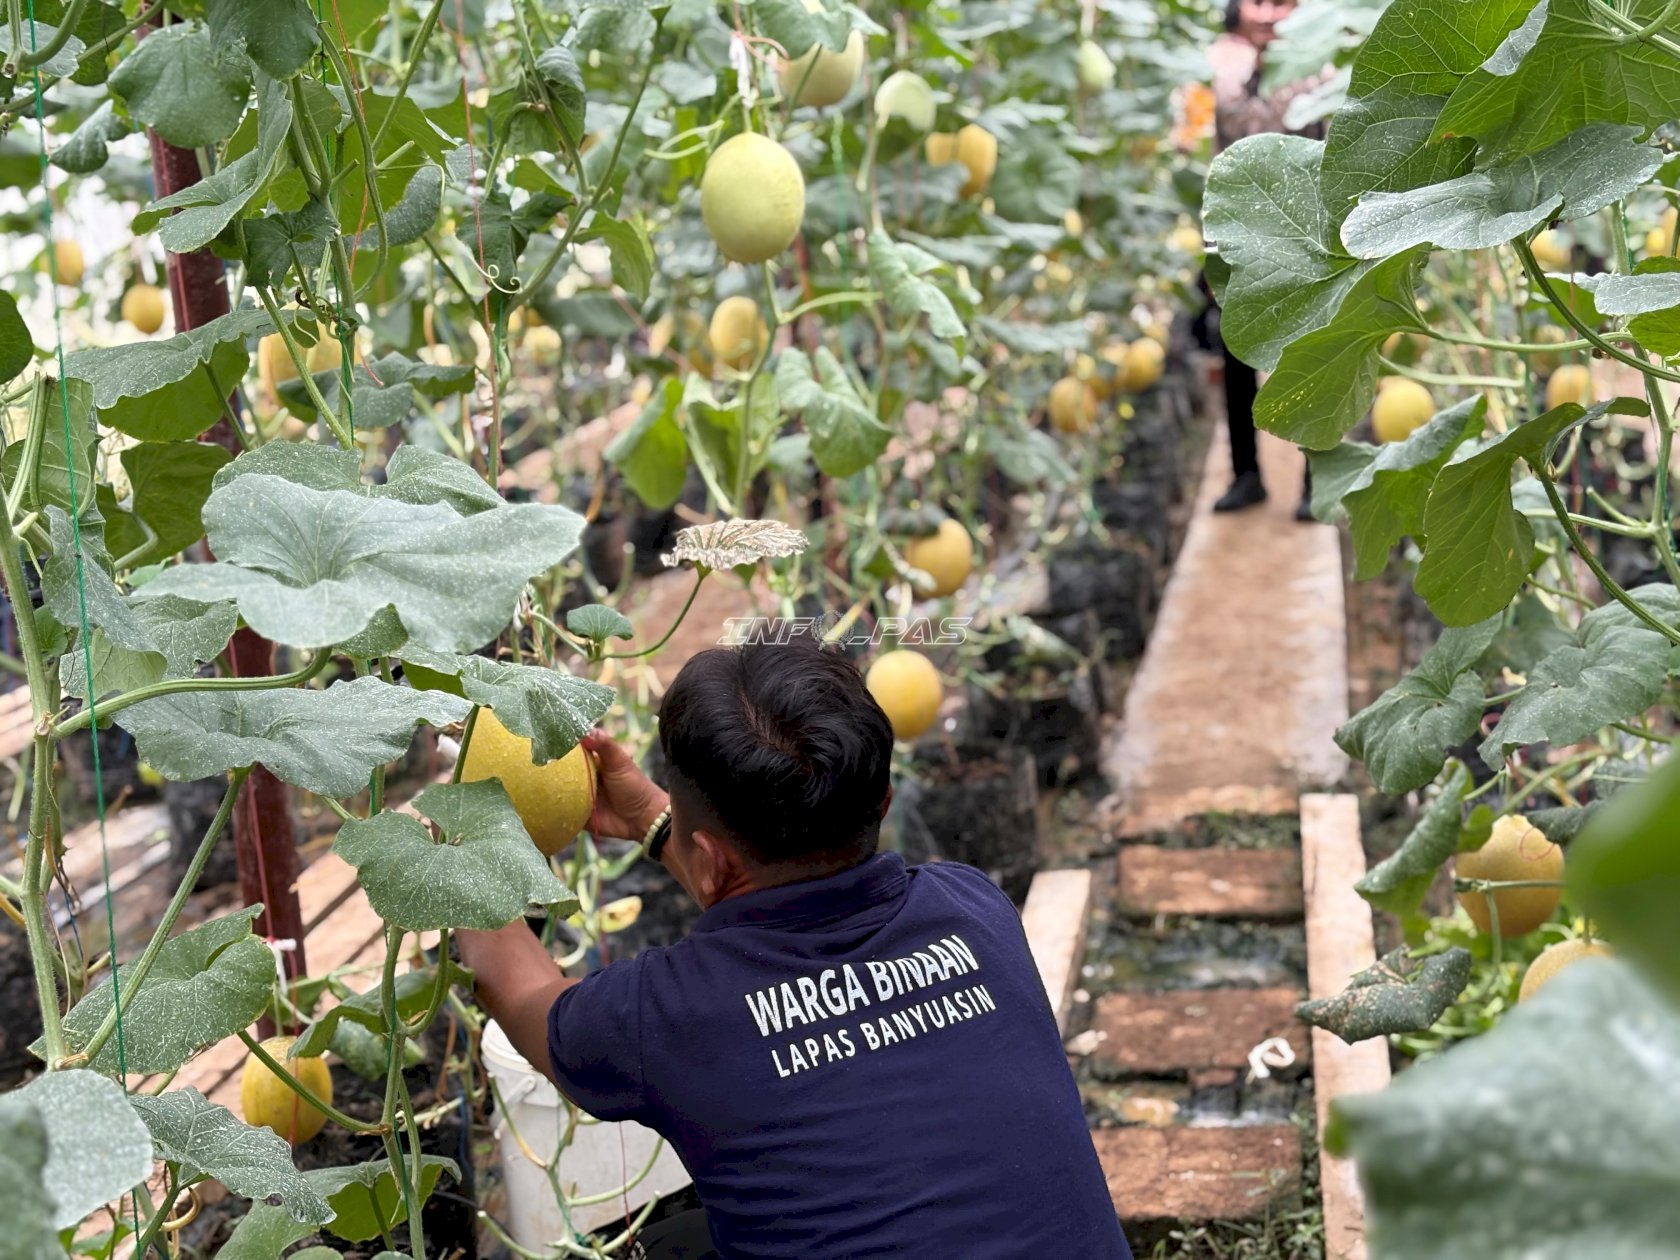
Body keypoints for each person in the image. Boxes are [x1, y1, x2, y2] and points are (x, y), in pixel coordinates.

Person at [459, 638, 1132, 1260]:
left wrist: (463, 833)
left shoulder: (670, 1015)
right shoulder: (974, 907)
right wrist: (654, 820)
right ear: (885, 798)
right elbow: (768, 889)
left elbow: (512, 985)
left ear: (709, 857)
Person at [1207, 0, 1321, 518]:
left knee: (1317, 355)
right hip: (1240, 231)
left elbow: (1277, 123)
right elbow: (1231, 134)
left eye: (1283, 4)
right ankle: (1246, 475)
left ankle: (1317, 481)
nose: (1270, 16)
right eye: (1258, 3)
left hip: (1308, 232)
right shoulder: (1223, 66)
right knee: (1236, 352)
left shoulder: (1317, 61)